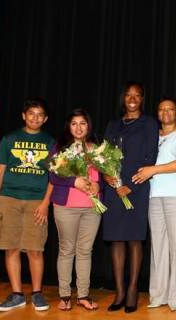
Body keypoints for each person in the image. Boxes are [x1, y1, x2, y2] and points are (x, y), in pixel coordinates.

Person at [0, 98, 54, 312]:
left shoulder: (51, 143)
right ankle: (17, 294)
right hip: (9, 199)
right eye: (31, 113)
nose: (35, 118)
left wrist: (46, 203)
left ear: (45, 119)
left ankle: (37, 293)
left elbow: (55, 177)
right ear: (23, 116)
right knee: (11, 247)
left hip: (37, 201)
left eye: (39, 114)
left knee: (35, 248)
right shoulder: (10, 139)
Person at [132, 98, 176, 311]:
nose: (166, 112)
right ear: (157, 113)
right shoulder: (152, 135)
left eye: (170, 109)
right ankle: (158, 295)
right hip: (154, 195)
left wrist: (153, 169)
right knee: (158, 247)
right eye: (161, 109)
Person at [103, 82, 159, 313]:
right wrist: (107, 175)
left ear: (142, 99)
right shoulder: (112, 125)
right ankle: (119, 291)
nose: (132, 98)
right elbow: (104, 155)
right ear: (123, 98)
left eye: (137, 95)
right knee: (116, 239)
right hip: (113, 188)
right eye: (128, 95)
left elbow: (150, 157)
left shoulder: (149, 124)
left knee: (134, 239)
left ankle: (133, 289)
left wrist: (131, 186)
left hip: (136, 186)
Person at [49, 109, 101, 311]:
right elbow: (53, 177)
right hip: (66, 207)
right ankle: (64, 295)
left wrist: (99, 186)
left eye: (83, 123)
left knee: (85, 251)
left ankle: (83, 295)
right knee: (66, 250)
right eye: (74, 123)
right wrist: (74, 181)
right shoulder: (60, 147)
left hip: (92, 208)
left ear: (89, 126)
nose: (79, 127)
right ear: (68, 126)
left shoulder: (97, 148)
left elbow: (106, 174)